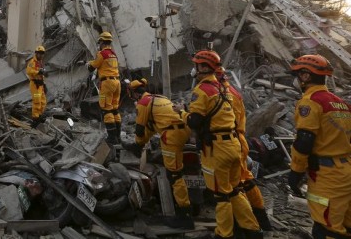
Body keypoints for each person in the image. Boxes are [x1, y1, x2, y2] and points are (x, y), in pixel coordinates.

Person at [179, 50, 262, 239]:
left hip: (217, 149)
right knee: (234, 190)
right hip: (233, 145)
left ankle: (224, 233)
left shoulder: (202, 90)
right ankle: (252, 229)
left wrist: (182, 113)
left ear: (203, 67)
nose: (194, 69)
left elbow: (194, 122)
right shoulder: (224, 88)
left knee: (221, 195)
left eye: (196, 65)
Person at [287, 54, 351, 239]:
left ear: (306, 76)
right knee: (346, 225)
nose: (295, 79)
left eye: (297, 75)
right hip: (346, 171)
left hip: (327, 175)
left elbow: (304, 141)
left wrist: (296, 172)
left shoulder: (311, 102)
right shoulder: (341, 104)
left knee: (326, 228)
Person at [128, 78, 194, 229]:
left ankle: (185, 216)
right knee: (177, 171)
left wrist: (137, 144)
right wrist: (139, 143)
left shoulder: (143, 103)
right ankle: (185, 210)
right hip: (184, 129)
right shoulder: (159, 99)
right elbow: (151, 128)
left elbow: (140, 129)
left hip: (171, 135)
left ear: (135, 94)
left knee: (175, 174)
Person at [216, 67, 272, 231]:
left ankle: (247, 226)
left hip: (230, 141)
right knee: (246, 180)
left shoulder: (222, 93)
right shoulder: (231, 90)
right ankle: (262, 220)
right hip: (239, 140)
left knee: (232, 188)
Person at [87, 31, 121, 144]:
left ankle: (112, 137)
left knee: (106, 110)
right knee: (115, 109)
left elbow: (92, 68)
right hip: (117, 83)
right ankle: (118, 136)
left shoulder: (101, 54)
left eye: (99, 42)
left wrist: (88, 64)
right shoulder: (113, 54)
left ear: (102, 41)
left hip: (107, 84)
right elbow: (101, 64)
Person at [26, 45, 48, 125]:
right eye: (39, 53)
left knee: (43, 102)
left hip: (40, 85)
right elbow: (28, 71)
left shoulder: (40, 63)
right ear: (36, 53)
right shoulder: (32, 62)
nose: (41, 55)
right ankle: (35, 118)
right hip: (35, 85)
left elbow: (41, 74)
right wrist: (38, 72)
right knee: (37, 102)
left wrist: (44, 84)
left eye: (42, 53)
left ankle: (39, 115)